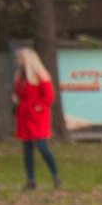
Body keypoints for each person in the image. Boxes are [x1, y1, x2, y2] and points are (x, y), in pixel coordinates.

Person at [13, 47, 60, 189]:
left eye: (20, 58)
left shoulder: (40, 75)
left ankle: (55, 175)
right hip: (24, 115)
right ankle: (31, 179)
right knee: (27, 148)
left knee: (42, 145)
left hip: (38, 116)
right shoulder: (20, 76)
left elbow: (49, 96)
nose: (18, 61)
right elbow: (19, 93)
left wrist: (37, 107)